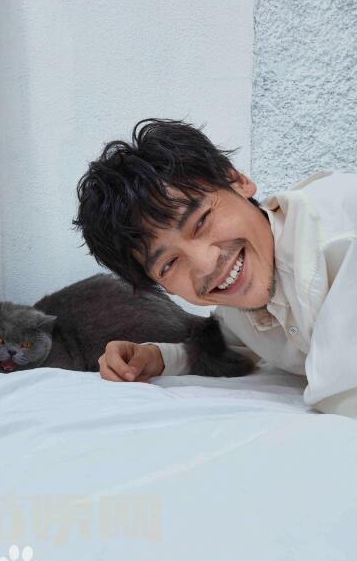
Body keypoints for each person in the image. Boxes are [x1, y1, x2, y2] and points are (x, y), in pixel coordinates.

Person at [73, 118, 357, 417]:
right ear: (162, 286)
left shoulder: (339, 241)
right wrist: (157, 357)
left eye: (201, 222)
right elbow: (233, 343)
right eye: (169, 264)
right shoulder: (245, 293)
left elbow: (342, 396)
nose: (206, 264)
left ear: (237, 181)